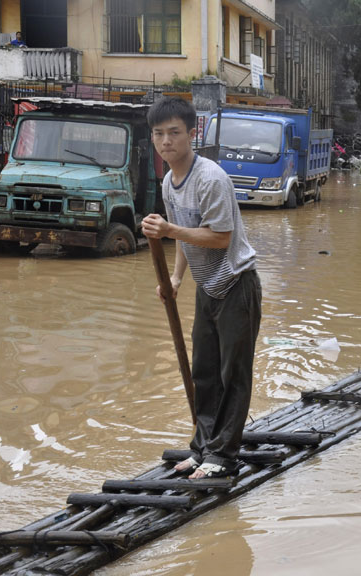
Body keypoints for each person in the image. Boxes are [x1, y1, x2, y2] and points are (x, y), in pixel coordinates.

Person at [142, 97, 262, 480]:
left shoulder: (210, 178)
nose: (166, 141)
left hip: (235, 284)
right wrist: (176, 279)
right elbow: (185, 242)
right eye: (159, 134)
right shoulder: (169, 182)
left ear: (192, 135)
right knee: (205, 372)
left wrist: (169, 230)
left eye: (174, 133)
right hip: (206, 287)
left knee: (233, 374)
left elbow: (220, 237)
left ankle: (223, 455)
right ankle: (203, 447)